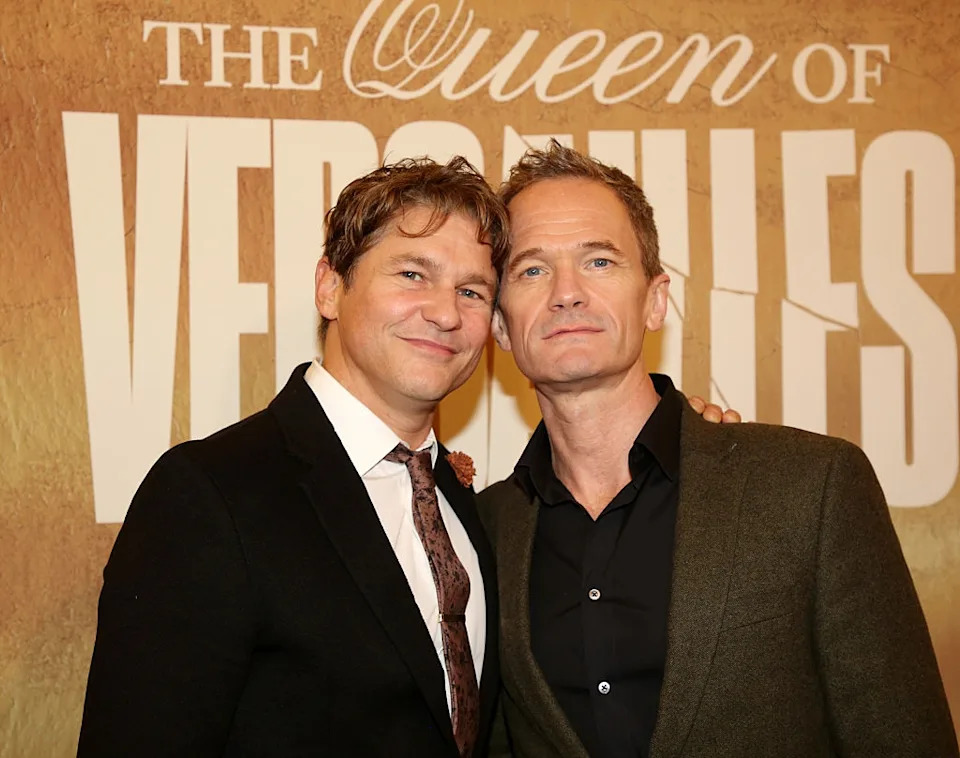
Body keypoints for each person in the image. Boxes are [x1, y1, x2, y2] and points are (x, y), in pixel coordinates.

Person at [479, 142, 958, 758]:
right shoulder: (484, 529)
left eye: (599, 261)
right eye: (531, 270)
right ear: (500, 325)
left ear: (655, 300)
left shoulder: (810, 486)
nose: (566, 293)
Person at [78, 156, 508, 757]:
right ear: (330, 287)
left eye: (471, 291)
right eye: (412, 274)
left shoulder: (465, 506)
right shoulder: (210, 494)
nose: (445, 313)